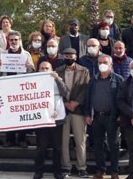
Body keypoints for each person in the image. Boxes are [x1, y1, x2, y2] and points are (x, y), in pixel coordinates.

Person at [84, 55, 123, 179]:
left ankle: (114, 171)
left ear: (111, 64)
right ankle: (100, 170)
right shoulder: (93, 80)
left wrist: (121, 114)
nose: (102, 64)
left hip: (112, 117)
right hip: (96, 117)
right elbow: (88, 98)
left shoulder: (118, 79)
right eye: (100, 62)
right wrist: (87, 114)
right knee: (98, 145)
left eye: (105, 62)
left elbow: (123, 99)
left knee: (114, 145)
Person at [56, 48, 90, 178]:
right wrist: (64, 103)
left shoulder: (84, 71)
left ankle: (82, 167)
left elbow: (86, 88)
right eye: (66, 55)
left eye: (71, 55)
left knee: (80, 140)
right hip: (62, 110)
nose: (68, 57)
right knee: (63, 141)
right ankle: (66, 166)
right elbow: (56, 89)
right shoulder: (57, 71)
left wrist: (76, 103)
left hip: (78, 110)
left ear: (76, 56)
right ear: (63, 57)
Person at [0, 31, 34, 148]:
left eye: (16, 40)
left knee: (21, 114)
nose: (14, 42)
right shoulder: (3, 54)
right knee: (9, 115)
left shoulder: (26, 54)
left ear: (20, 41)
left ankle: (22, 139)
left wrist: (29, 67)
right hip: (7, 88)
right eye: (11, 40)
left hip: (21, 89)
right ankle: (10, 139)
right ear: (8, 41)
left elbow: (32, 72)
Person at [33, 61, 68, 179]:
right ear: (38, 70)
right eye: (42, 68)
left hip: (56, 117)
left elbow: (65, 93)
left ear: (52, 69)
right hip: (41, 118)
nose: (44, 70)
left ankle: (57, 171)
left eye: (46, 68)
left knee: (57, 147)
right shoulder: (33, 81)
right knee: (41, 147)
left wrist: (57, 78)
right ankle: (38, 171)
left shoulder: (58, 79)